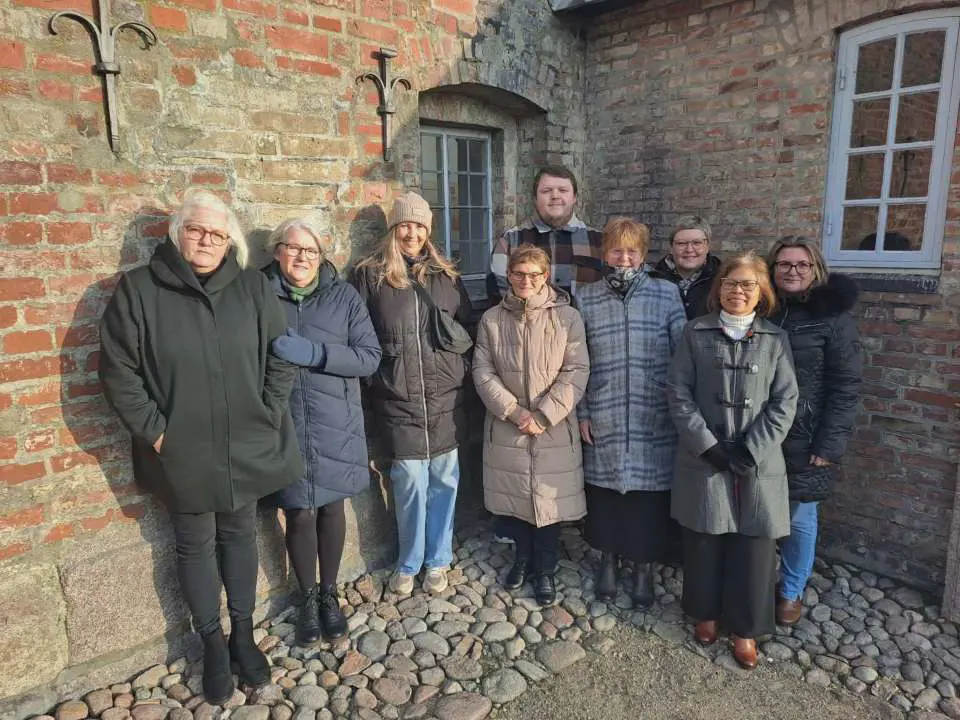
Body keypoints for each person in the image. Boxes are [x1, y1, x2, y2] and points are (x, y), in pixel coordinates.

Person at [98, 189, 303, 704]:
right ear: (178, 234)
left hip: (245, 442)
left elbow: (281, 355)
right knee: (194, 543)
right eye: (196, 230)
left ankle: (243, 635)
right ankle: (211, 643)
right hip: (181, 449)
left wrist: (268, 412)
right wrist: (155, 430)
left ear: (229, 240)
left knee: (239, 535)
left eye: (217, 233)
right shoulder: (140, 290)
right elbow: (118, 369)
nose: (207, 240)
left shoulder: (251, 288)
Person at [666, 251, 798, 670]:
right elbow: (678, 392)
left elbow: (785, 401)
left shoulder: (776, 339)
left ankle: (745, 629)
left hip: (759, 460)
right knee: (704, 537)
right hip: (704, 456)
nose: (737, 291)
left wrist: (751, 448)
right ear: (718, 287)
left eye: (747, 284)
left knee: (754, 547)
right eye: (730, 283)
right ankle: (704, 612)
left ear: (762, 292)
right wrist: (708, 446)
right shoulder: (695, 332)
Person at [262, 218, 382, 645]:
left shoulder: (343, 296)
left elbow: (368, 357)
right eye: (293, 248)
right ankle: (307, 597)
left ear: (321, 257)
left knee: (332, 507)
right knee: (298, 510)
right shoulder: (259, 294)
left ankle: (330, 593)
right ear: (277, 251)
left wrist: (313, 353)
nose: (302, 257)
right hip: (285, 423)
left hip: (336, 421)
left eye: (310, 251)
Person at [352, 191, 472, 596]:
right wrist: (376, 382)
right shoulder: (371, 276)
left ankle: (438, 559)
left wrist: (459, 371)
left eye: (419, 226)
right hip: (398, 398)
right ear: (393, 228)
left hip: (444, 398)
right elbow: (358, 336)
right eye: (404, 224)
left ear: (428, 230)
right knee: (408, 483)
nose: (412, 233)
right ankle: (409, 561)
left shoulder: (445, 275)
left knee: (445, 481)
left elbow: (466, 328)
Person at [576, 218, 686, 608]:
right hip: (603, 408)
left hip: (652, 409)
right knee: (605, 493)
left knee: (648, 497)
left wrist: (677, 407)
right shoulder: (586, 297)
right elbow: (578, 361)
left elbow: (682, 355)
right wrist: (583, 411)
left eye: (632, 251)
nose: (624, 258)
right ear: (605, 253)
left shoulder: (666, 293)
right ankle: (607, 559)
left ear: (643, 254)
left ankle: (643, 567)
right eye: (617, 250)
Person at [473, 244, 590, 607]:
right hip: (509, 425)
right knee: (518, 495)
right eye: (519, 274)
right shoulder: (492, 319)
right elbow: (482, 370)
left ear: (546, 277)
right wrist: (513, 411)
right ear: (509, 275)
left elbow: (576, 370)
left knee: (548, 501)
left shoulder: (567, 318)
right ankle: (522, 558)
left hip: (553, 425)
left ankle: (546, 568)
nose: (526, 281)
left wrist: (543, 415)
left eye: (534, 275)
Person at [767, 236, 861, 626]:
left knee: (800, 516)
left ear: (815, 270)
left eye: (801, 264)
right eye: (784, 264)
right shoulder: (762, 309)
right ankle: (757, 578)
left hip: (805, 432)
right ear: (772, 269)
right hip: (760, 429)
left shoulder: (832, 318)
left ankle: (791, 590)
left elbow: (846, 385)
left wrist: (829, 443)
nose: (792, 271)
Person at [486, 164, 603, 303]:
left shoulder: (600, 241)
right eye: (546, 191)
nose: (555, 196)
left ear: (574, 197)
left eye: (563, 190)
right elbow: (501, 299)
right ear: (535, 198)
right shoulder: (509, 241)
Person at [653, 215, 722, 319]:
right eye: (681, 243)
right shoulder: (653, 279)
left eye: (697, 243)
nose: (689, 250)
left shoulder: (722, 279)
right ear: (671, 248)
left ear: (707, 246)